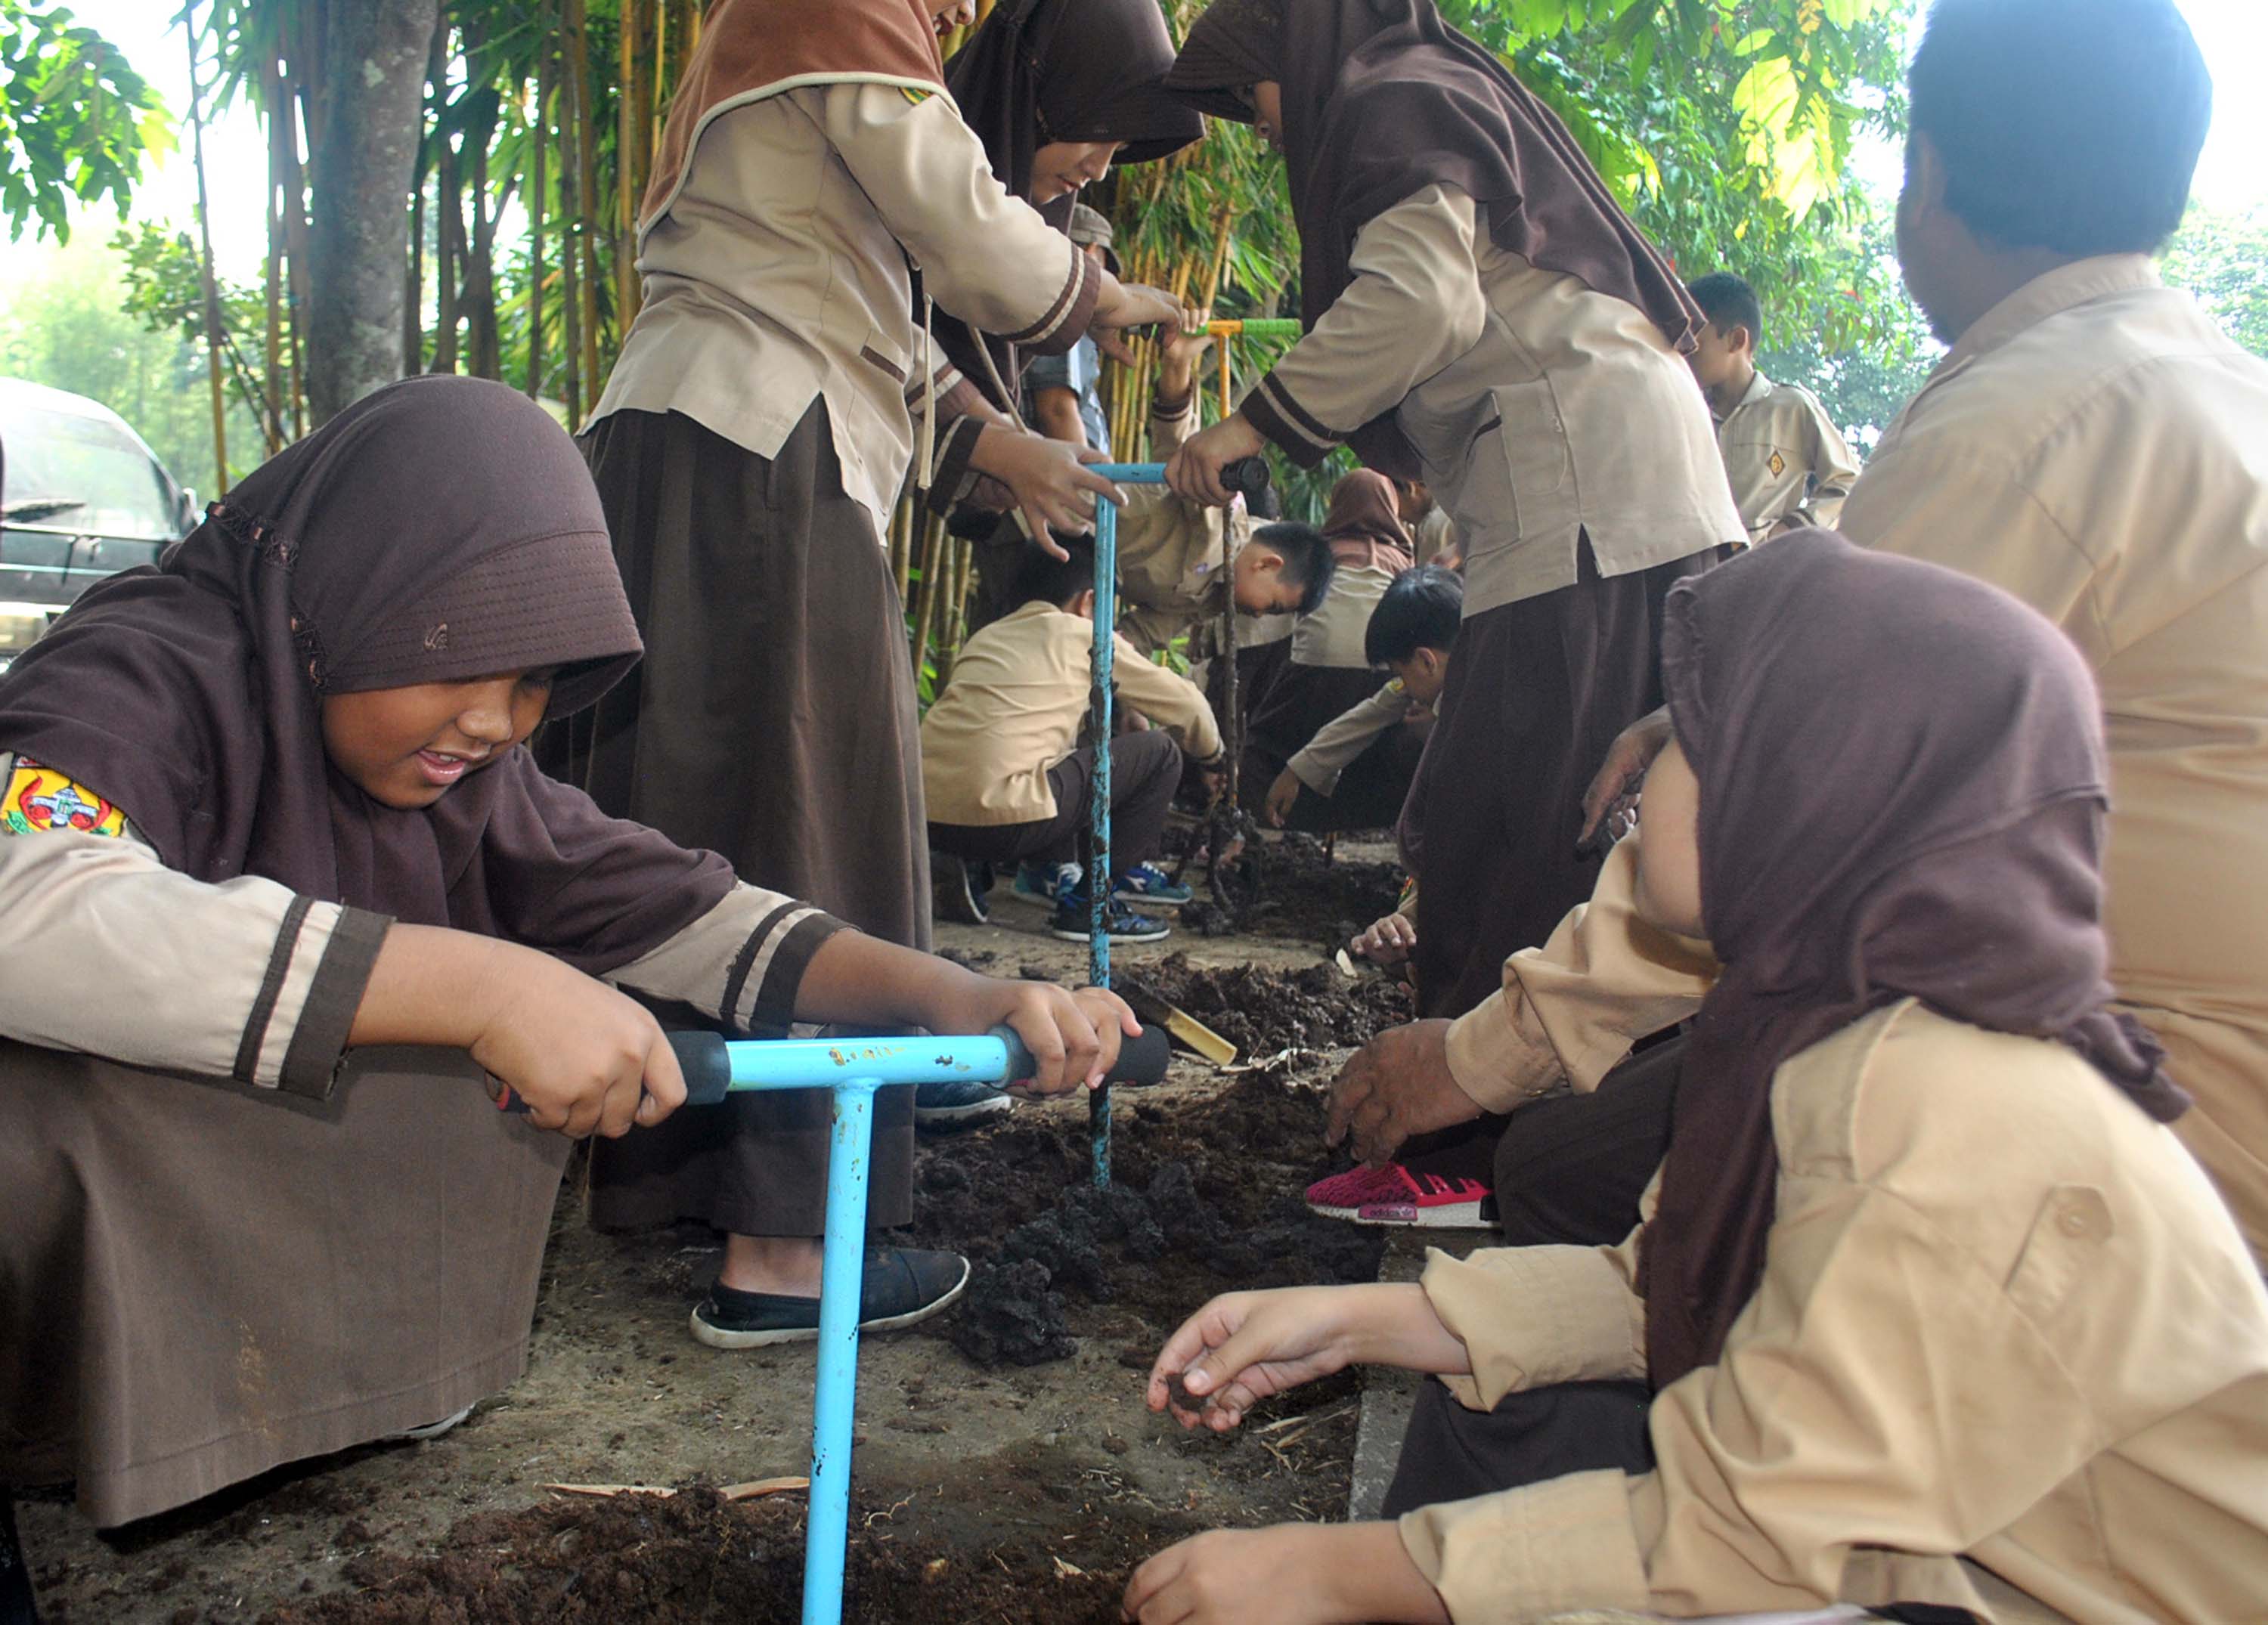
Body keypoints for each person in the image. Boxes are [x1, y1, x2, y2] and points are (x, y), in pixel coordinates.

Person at [0, 379, 1134, 1570]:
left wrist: (957, 995)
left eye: (535, 682)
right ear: (347, 587)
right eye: (455, 657)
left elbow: (683, 909)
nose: (495, 720)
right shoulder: (144, 668)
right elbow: (29, 908)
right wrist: (484, 988)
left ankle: (308, 1383)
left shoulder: (466, 767)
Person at [1125, 534, 2268, 1625]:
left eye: (1686, 743)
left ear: (1798, 788)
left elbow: (1755, 1539)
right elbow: (1661, 1288)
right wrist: (1355, 1321)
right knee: (1500, 1423)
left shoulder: (1950, 1103)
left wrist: (1346, 1571)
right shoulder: (1835, 1022)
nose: (1641, 781)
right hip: (1964, 1553)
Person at [1328, 0, 2268, 1268]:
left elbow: (1777, 826)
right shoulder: (2205, 383)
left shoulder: (2012, 432)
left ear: (1927, 176)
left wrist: (1478, 1055)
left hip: (2155, 1134)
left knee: (1572, 1168)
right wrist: (1711, 708)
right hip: (2179, 1061)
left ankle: (1707, 1445)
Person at [538, 0, 1183, 1330]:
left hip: (699, 442)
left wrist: (1007, 452)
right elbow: (970, 240)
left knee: (699, 814)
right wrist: (1102, 296)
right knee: (807, 819)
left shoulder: (812, 35)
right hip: (762, 456)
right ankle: (786, 1254)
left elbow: (863, 299)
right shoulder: (842, 6)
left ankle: (683, 1173)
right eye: (1100, 144)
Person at [1160, 0, 1744, 1027]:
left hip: (1578, 513)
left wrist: (1242, 428)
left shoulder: (1386, 100)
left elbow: (1422, 303)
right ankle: (1581, 1115)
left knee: (1513, 832)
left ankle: (1476, 1134)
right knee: (1581, 818)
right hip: (1630, 494)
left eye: (1251, 98)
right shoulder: (1430, 86)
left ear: (1291, 49)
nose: (1265, 129)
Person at [923, 539, 1225, 941]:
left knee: (1058, 749)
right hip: (1004, 822)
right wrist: (1215, 760)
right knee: (1161, 754)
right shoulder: (1082, 634)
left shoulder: (989, 635)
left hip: (924, 817)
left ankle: (1009, 869)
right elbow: (1189, 707)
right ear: (1089, 602)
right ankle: (1092, 906)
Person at [932, 0, 1205, 419]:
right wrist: (1102, 297)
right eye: (1097, 132)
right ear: (1041, 93)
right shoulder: (907, 163)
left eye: (1121, 148)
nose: (1098, 171)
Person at [1241, 470, 1413, 809]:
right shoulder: (1403, 561)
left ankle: (1255, 820)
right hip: (1384, 678)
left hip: (1313, 678)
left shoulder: (1318, 557)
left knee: (1264, 742)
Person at [1264, 563, 1460, 834]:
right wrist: (1297, 771)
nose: (1400, 683)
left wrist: (1437, 733)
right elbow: (1367, 717)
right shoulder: (1434, 673)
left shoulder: (1485, 693)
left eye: (1398, 672)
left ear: (1426, 661)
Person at [1685, 271, 1861, 545]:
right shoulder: (1685, 410)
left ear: (1736, 340)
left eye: (1695, 339)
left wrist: (1790, 533)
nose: (1685, 350)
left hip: (1764, 575)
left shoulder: (1791, 409)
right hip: (1694, 574)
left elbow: (1848, 483)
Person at [1025, 204, 1120, 457]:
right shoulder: (1067, 313)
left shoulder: (1033, 305)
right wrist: (1088, 490)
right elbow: (1057, 409)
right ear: (1092, 253)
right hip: (1073, 480)